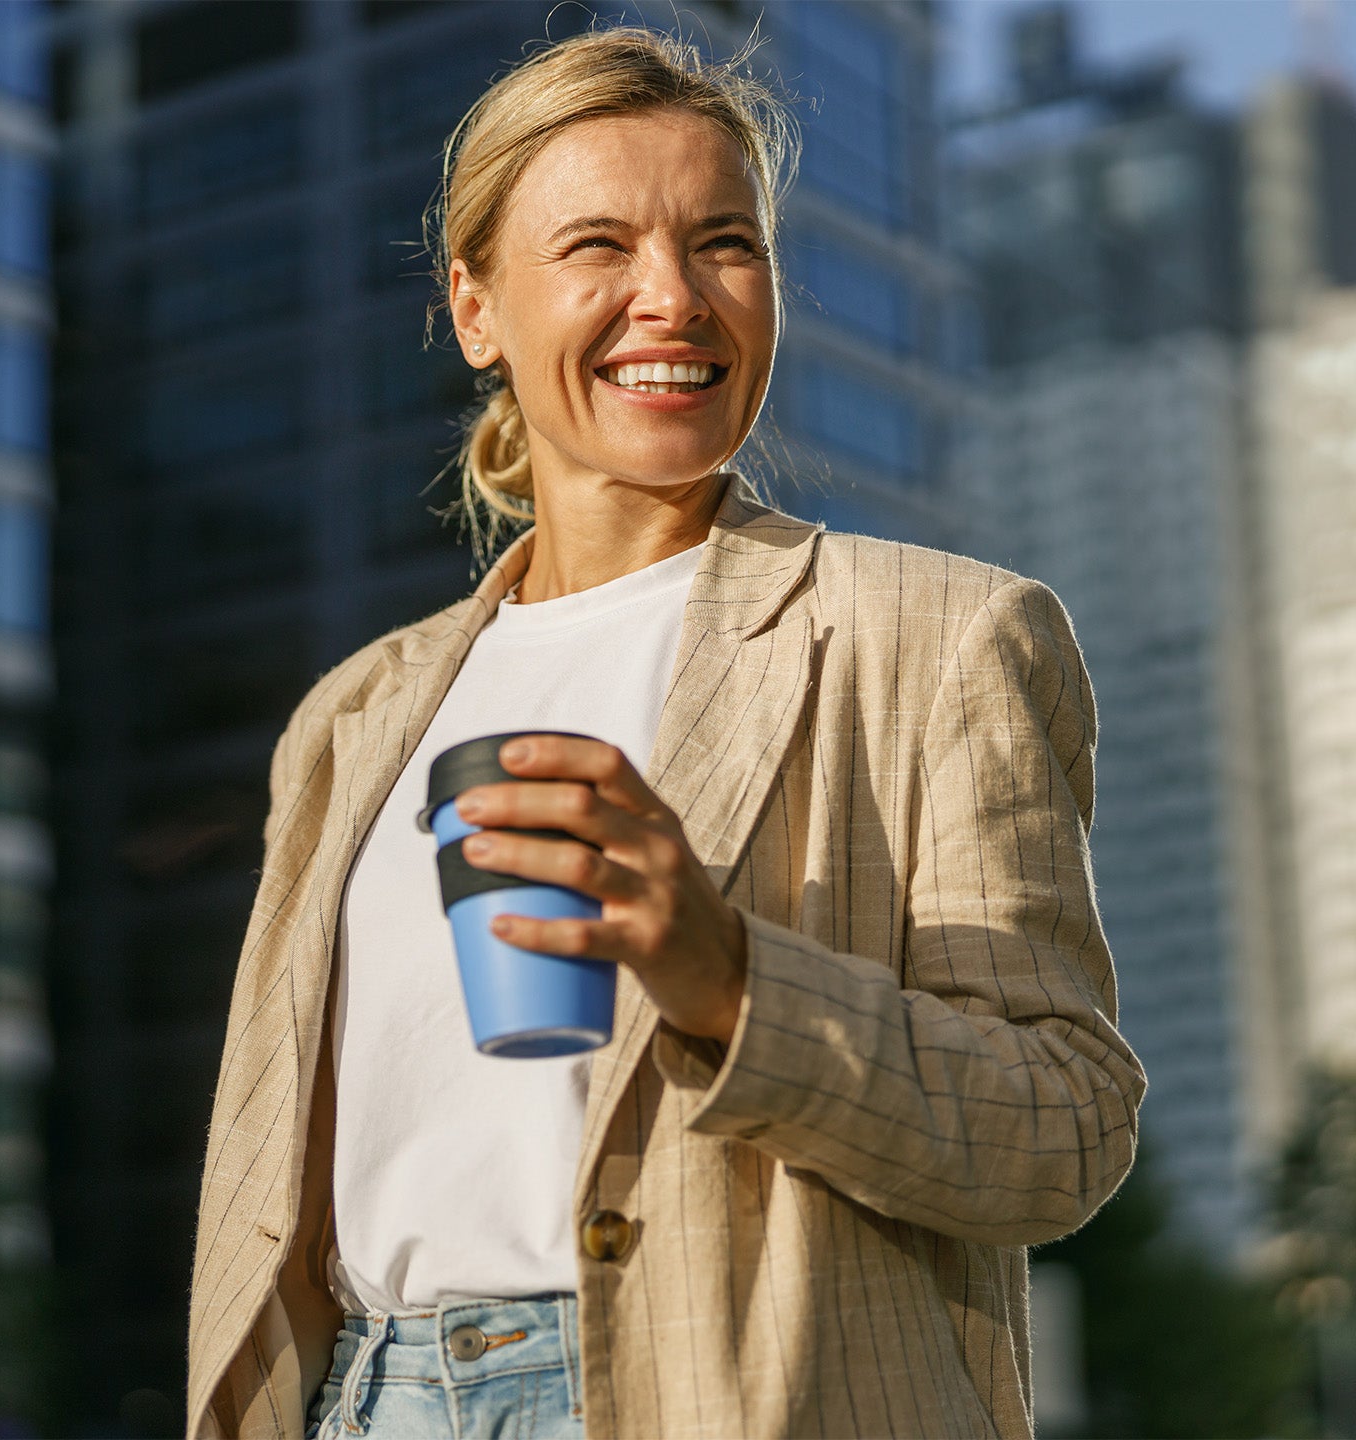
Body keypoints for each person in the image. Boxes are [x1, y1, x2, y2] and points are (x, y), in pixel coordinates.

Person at [187, 26, 1146, 1440]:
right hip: (369, 1399)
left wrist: (732, 979)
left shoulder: (939, 639)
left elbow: (1063, 1125)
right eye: (597, 246)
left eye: (723, 243)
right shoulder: (350, 720)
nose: (672, 299)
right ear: (477, 309)